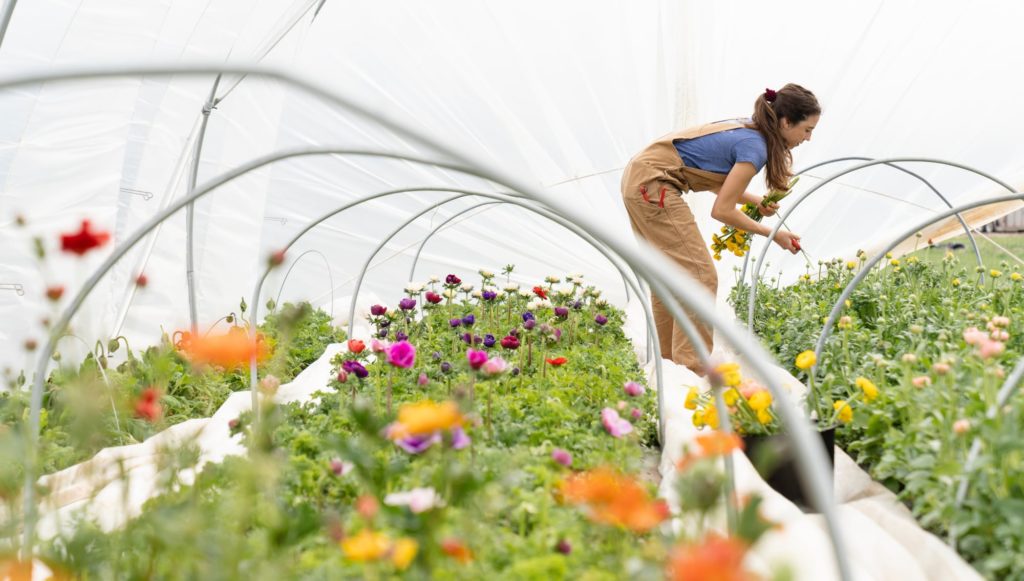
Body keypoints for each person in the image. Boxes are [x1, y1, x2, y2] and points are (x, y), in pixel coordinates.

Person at [621, 83, 820, 373]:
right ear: (787, 122)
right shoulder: (756, 146)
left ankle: (667, 370)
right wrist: (773, 234)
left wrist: (755, 200)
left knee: (669, 277)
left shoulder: (749, 129)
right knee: (701, 276)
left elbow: (721, 185)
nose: (809, 138)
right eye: (807, 129)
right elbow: (722, 210)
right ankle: (692, 369)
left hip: (641, 179)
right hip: (654, 185)